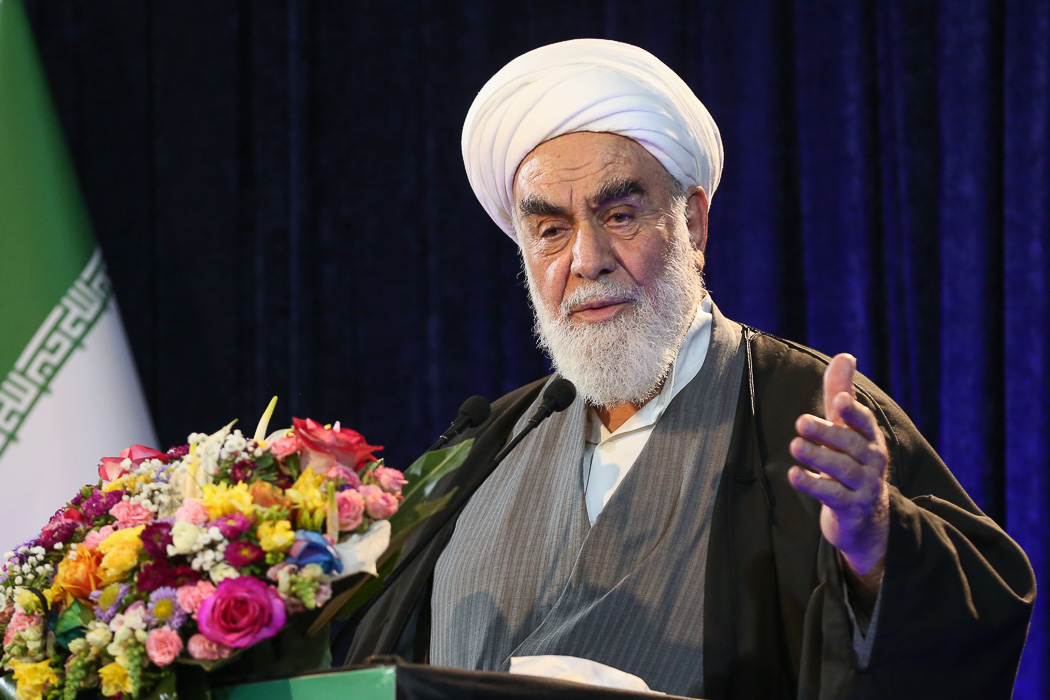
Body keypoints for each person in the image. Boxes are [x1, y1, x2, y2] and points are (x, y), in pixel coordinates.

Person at [344, 39, 1035, 699]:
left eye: (620, 215)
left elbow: (972, 620)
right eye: (551, 230)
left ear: (694, 224)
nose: (587, 260)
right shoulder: (488, 447)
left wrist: (876, 542)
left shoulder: (806, 412)